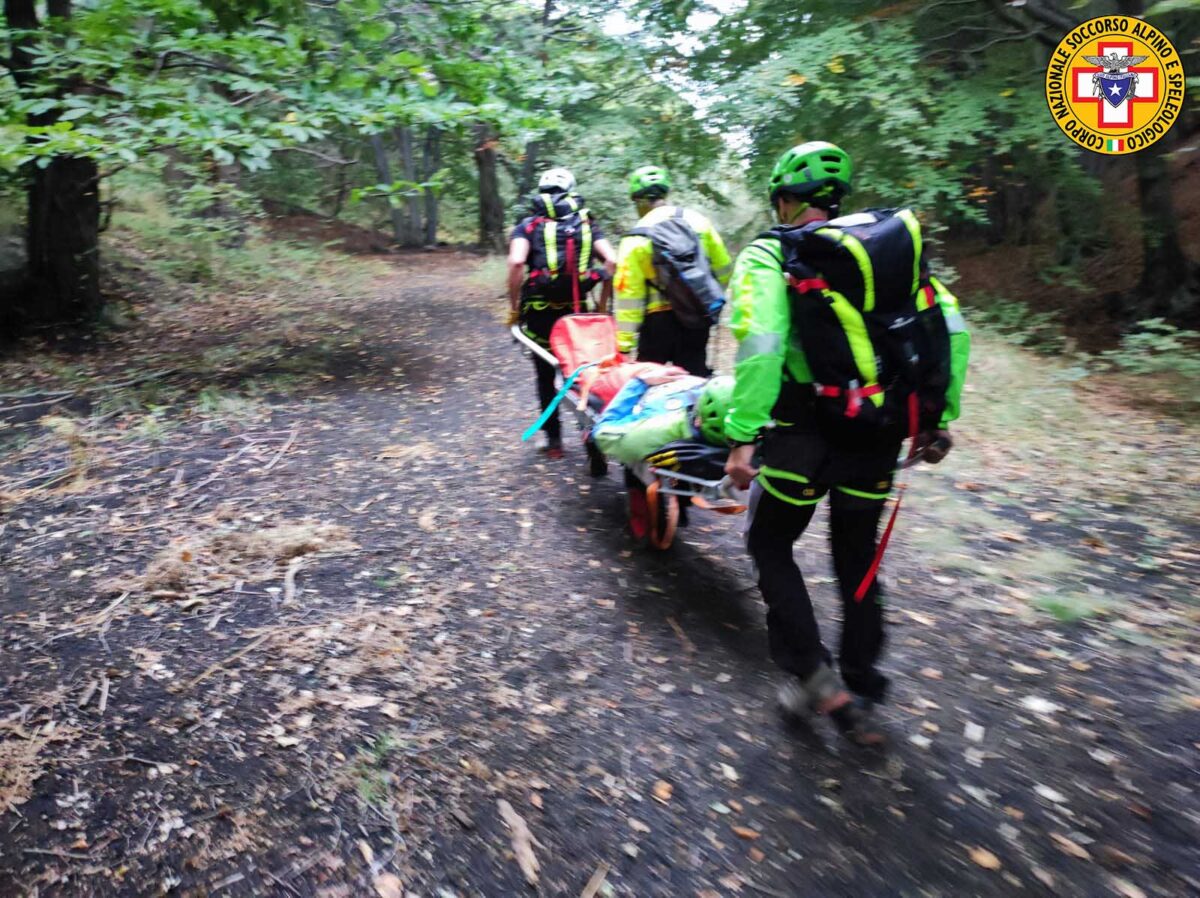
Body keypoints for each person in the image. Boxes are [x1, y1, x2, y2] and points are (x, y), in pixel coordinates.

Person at [722, 141, 971, 743]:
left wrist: (741, 435)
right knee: (857, 552)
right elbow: (950, 328)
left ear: (784, 199)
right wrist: (936, 417)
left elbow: (761, 345)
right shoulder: (889, 251)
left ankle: (814, 677)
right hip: (877, 434)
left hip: (803, 434)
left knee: (770, 541)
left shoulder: (769, 253)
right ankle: (860, 678)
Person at [509, 168, 617, 459]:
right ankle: (592, 439)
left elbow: (517, 262)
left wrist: (514, 306)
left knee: (546, 375)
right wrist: (602, 307)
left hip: (539, 314)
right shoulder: (586, 224)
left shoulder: (528, 226)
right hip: (576, 315)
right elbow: (612, 260)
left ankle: (554, 442)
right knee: (584, 374)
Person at [614, 165, 732, 376]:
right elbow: (723, 268)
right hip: (695, 316)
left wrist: (624, 343)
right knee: (694, 380)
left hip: (657, 324)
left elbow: (629, 296)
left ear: (638, 201)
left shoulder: (635, 238)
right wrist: (706, 300)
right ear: (666, 194)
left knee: (648, 383)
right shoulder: (699, 222)